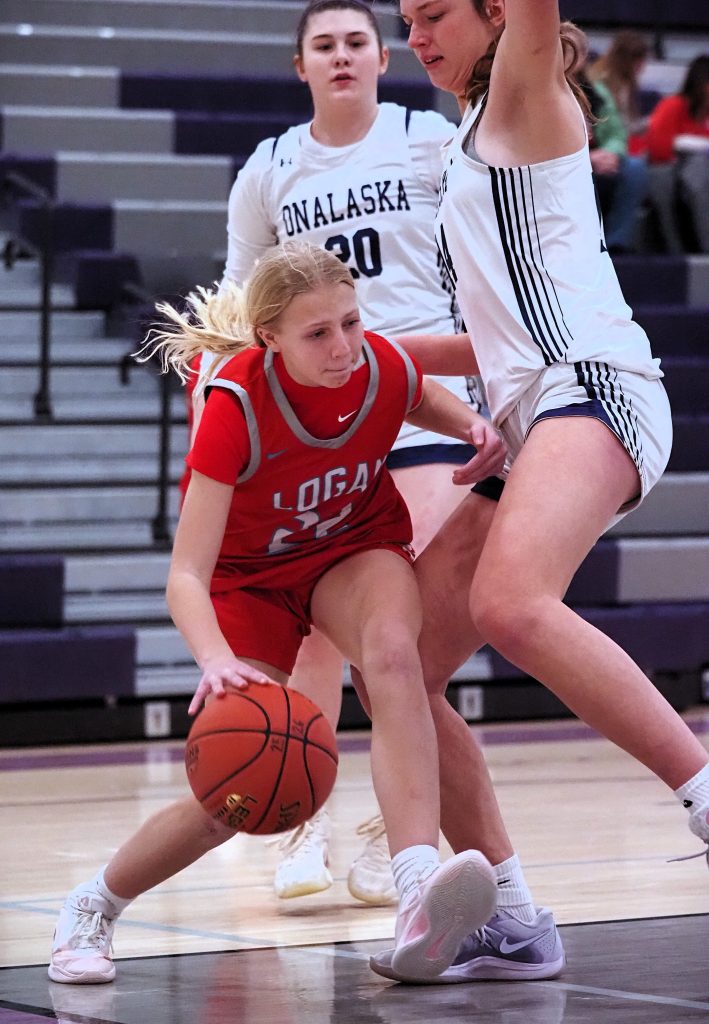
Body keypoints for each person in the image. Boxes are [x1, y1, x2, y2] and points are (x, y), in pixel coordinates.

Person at [48, 241, 504, 986]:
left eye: (352, 323)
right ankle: (93, 905)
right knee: (238, 789)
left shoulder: (374, 362)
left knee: (394, 655)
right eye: (318, 334)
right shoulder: (234, 407)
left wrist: (470, 427)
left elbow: (412, 388)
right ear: (269, 340)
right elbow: (186, 575)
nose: (344, 347)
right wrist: (213, 660)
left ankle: (416, 880)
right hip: (248, 581)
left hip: (349, 549)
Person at [368, 0, 709, 983]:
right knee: (398, 663)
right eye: (407, 21)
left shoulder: (523, 91)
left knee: (511, 603)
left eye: (435, 15)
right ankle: (509, 917)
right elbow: (490, 336)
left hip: (595, 385)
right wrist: (353, 353)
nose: (417, 38)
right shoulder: (473, 141)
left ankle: (697, 786)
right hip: (532, 411)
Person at [203, 0, 499, 906]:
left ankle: (388, 831)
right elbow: (234, 309)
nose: (340, 56)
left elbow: (486, 253)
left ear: (382, 57)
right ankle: (305, 823)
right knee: (314, 641)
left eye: (356, 42)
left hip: (416, 399)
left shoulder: (428, 140)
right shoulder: (271, 168)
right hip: (307, 412)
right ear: (300, 66)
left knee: (403, 641)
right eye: (322, 45)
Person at [572, 29, 648, 253]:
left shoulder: (598, 92)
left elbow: (617, 133)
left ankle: (615, 242)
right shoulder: (545, 93)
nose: (578, 58)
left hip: (600, 158)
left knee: (635, 168)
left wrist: (611, 153)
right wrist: (589, 158)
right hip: (571, 162)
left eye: (581, 53)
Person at [646, 54, 709, 253]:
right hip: (671, 173)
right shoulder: (673, 105)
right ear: (701, 84)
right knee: (697, 168)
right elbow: (658, 147)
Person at [589, 29, 652, 148]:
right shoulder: (602, 83)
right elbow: (616, 126)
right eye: (640, 62)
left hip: (619, 138)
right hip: (606, 142)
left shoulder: (624, 82)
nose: (643, 67)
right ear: (628, 61)